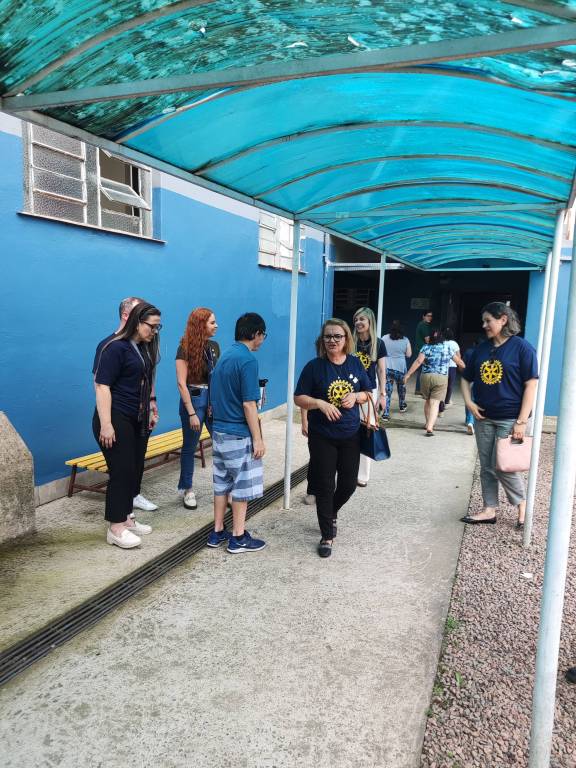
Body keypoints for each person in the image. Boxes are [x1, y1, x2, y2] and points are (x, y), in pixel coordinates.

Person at [294, 318, 372, 558]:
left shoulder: (355, 363)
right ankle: (327, 535)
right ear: (322, 340)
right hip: (322, 436)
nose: (332, 340)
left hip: (351, 434)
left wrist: (356, 396)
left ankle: (330, 513)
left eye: (338, 336)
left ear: (346, 339)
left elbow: (368, 392)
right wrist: (319, 403)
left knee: (348, 485)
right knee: (325, 486)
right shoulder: (314, 367)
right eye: (328, 336)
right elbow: (299, 398)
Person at [460, 302, 538, 528]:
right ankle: (489, 509)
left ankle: (522, 505)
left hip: (510, 417)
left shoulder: (522, 348)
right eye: (483, 321)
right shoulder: (481, 349)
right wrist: (469, 403)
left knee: (503, 464)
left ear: (503, 320)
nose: (484, 325)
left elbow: (531, 384)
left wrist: (521, 421)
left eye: (488, 321)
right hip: (483, 417)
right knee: (486, 466)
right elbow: (465, 378)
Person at [92, 302, 162, 549]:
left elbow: (146, 380)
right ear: (137, 321)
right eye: (152, 326)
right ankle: (116, 528)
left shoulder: (142, 347)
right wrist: (106, 424)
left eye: (158, 327)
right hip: (115, 416)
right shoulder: (114, 347)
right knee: (121, 471)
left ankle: (127, 518)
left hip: (136, 416)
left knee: (132, 469)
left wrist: (151, 406)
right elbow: (102, 386)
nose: (155, 331)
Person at [207, 312, 267, 554]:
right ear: (256, 334)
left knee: (221, 483)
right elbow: (249, 404)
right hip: (238, 432)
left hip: (219, 431)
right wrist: (258, 438)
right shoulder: (248, 360)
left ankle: (217, 531)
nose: (262, 340)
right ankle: (238, 537)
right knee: (242, 486)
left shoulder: (225, 357)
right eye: (263, 335)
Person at [175, 307, 220, 510]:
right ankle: (188, 489)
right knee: (189, 447)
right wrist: (192, 413)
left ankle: (224, 489)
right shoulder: (184, 348)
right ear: (201, 325)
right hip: (193, 401)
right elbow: (181, 383)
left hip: (212, 400)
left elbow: (216, 377)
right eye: (212, 322)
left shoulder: (214, 347)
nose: (216, 326)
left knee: (221, 444)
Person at [404, 329, 464, 436]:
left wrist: (408, 374)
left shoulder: (426, 347)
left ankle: (427, 423)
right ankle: (430, 427)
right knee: (435, 403)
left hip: (426, 377)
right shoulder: (447, 348)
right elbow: (458, 361)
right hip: (441, 378)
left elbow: (418, 361)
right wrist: (468, 370)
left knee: (428, 401)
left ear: (431, 337)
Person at [352, 307, 387, 487]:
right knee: (349, 429)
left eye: (362, 319)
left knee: (367, 429)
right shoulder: (350, 341)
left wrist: (382, 394)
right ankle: (348, 468)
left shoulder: (378, 344)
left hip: (369, 391)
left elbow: (381, 370)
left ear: (370, 322)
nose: (358, 322)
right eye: (356, 319)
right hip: (349, 390)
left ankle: (362, 475)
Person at [382, 320, 412, 419]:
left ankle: (385, 414)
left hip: (387, 367)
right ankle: (402, 405)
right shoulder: (405, 340)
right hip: (400, 368)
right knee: (401, 387)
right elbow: (409, 354)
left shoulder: (384, 338)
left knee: (387, 391)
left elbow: (380, 351)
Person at [438, 327, 461, 417]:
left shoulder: (441, 343)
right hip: (452, 367)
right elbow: (458, 356)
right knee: (449, 386)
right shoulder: (454, 344)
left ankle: (440, 409)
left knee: (441, 388)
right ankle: (446, 402)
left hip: (442, 367)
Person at [414, 310, 433, 395]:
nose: (430, 317)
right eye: (428, 316)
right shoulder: (423, 325)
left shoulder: (422, 324)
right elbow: (427, 340)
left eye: (431, 316)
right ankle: (420, 390)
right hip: (422, 350)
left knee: (422, 370)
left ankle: (419, 389)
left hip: (421, 349)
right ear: (423, 316)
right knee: (423, 370)